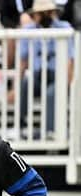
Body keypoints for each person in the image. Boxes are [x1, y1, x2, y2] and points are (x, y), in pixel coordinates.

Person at [18, 0, 75, 138]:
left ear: (53, 13)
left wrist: (69, 82)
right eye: (41, 13)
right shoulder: (28, 30)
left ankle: (51, 131)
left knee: (51, 93)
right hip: (38, 75)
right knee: (25, 83)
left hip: (59, 75)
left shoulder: (64, 28)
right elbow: (23, 60)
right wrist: (15, 85)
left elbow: (70, 59)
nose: (44, 16)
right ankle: (21, 127)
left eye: (47, 12)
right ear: (35, 15)